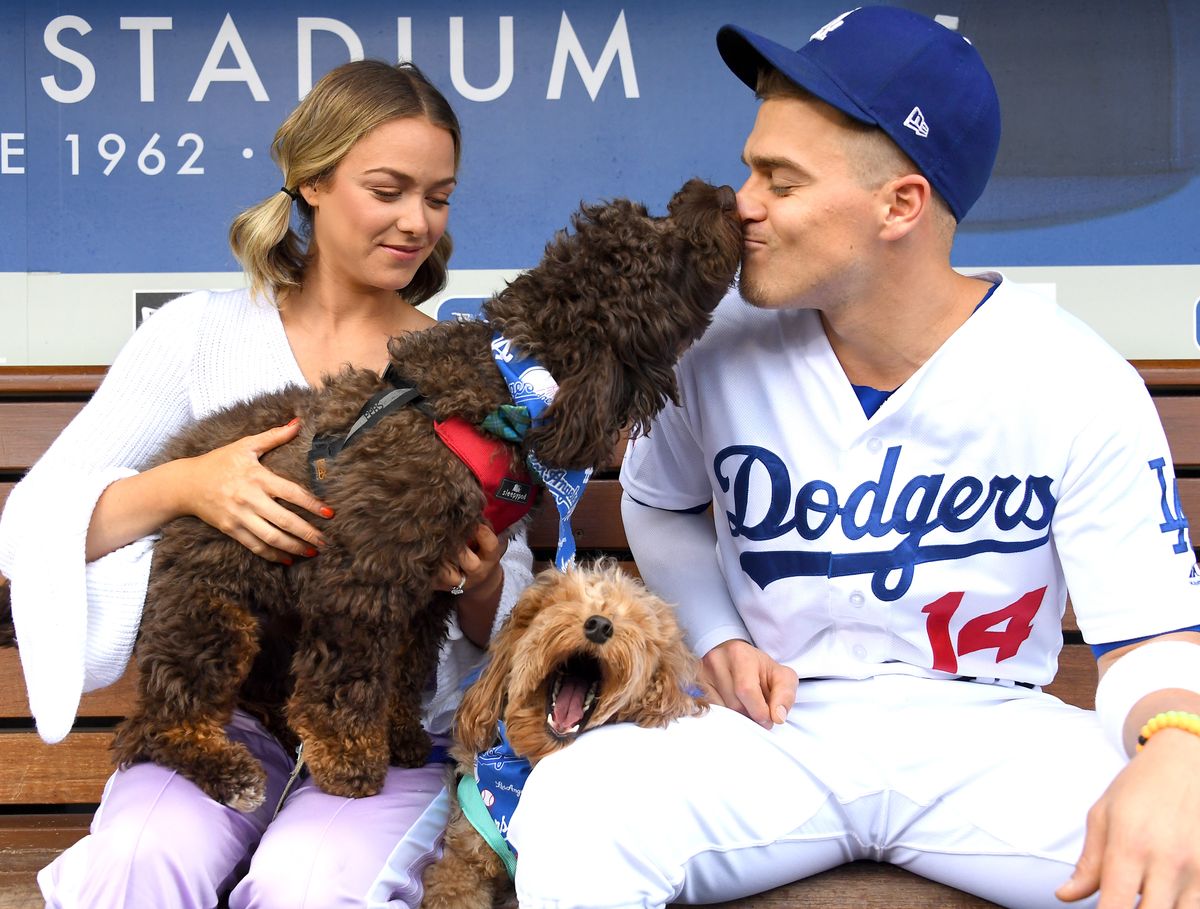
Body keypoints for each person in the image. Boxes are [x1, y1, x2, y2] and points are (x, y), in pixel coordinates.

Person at [506, 7, 1200, 909]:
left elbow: (1149, 636)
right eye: (750, 167)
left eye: (779, 180)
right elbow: (660, 501)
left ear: (899, 204)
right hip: (775, 729)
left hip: (992, 733)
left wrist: (1179, 748)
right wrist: (716, 633)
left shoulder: (1071, 374)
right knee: (577, 801)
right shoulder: (714, 343)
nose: (742, 202)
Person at [0, 60, 533, 908]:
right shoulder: (197, 336)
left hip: (390, 727)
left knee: (312, 885)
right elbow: (29, 524)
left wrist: (480, 576)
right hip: (226, 716)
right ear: (312, 181)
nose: (415, 221)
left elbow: (513, 605)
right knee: (137, 861)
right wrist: (189, 485)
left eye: (438, 197)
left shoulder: (465, 370)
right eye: (388, 189)